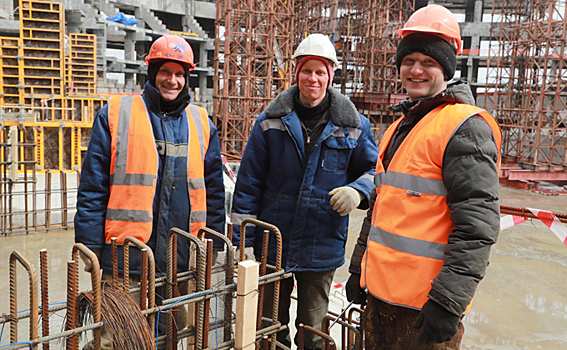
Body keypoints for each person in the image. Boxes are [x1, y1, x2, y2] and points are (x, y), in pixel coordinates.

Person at [345, 4, 502, 349]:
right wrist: (360, 269)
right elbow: (381, 208)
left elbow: (477, 227)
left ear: (446, 68)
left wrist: (448, 303)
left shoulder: (465, 128)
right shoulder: (401, 126)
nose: (416, 70)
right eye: (409, 60)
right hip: (382, 299)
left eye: (429, 62)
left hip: (423, 309)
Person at [74, 34, 225, 348]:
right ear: (152, 73)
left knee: (172, 334)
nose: (173, 80)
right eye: (165, 72)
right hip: (125, 256)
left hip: (179, 256)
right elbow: (92, 187)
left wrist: (215, 243)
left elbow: (213, 189)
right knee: (114, 338)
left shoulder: (201, 123)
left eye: (180, 74)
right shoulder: (117, 114)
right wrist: (88, 243)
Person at [231, 33, 379, 349]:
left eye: (320, 72)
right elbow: (248, 183)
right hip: (273, 243)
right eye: (307, 71)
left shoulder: (354, 125)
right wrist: (242, 242)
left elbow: (374, 171)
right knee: (268, 328)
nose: (313, 78)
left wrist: (357, 191)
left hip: (321, 245)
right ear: (296, 72)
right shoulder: (270, 122)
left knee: (313, 331)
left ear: (331, 76)